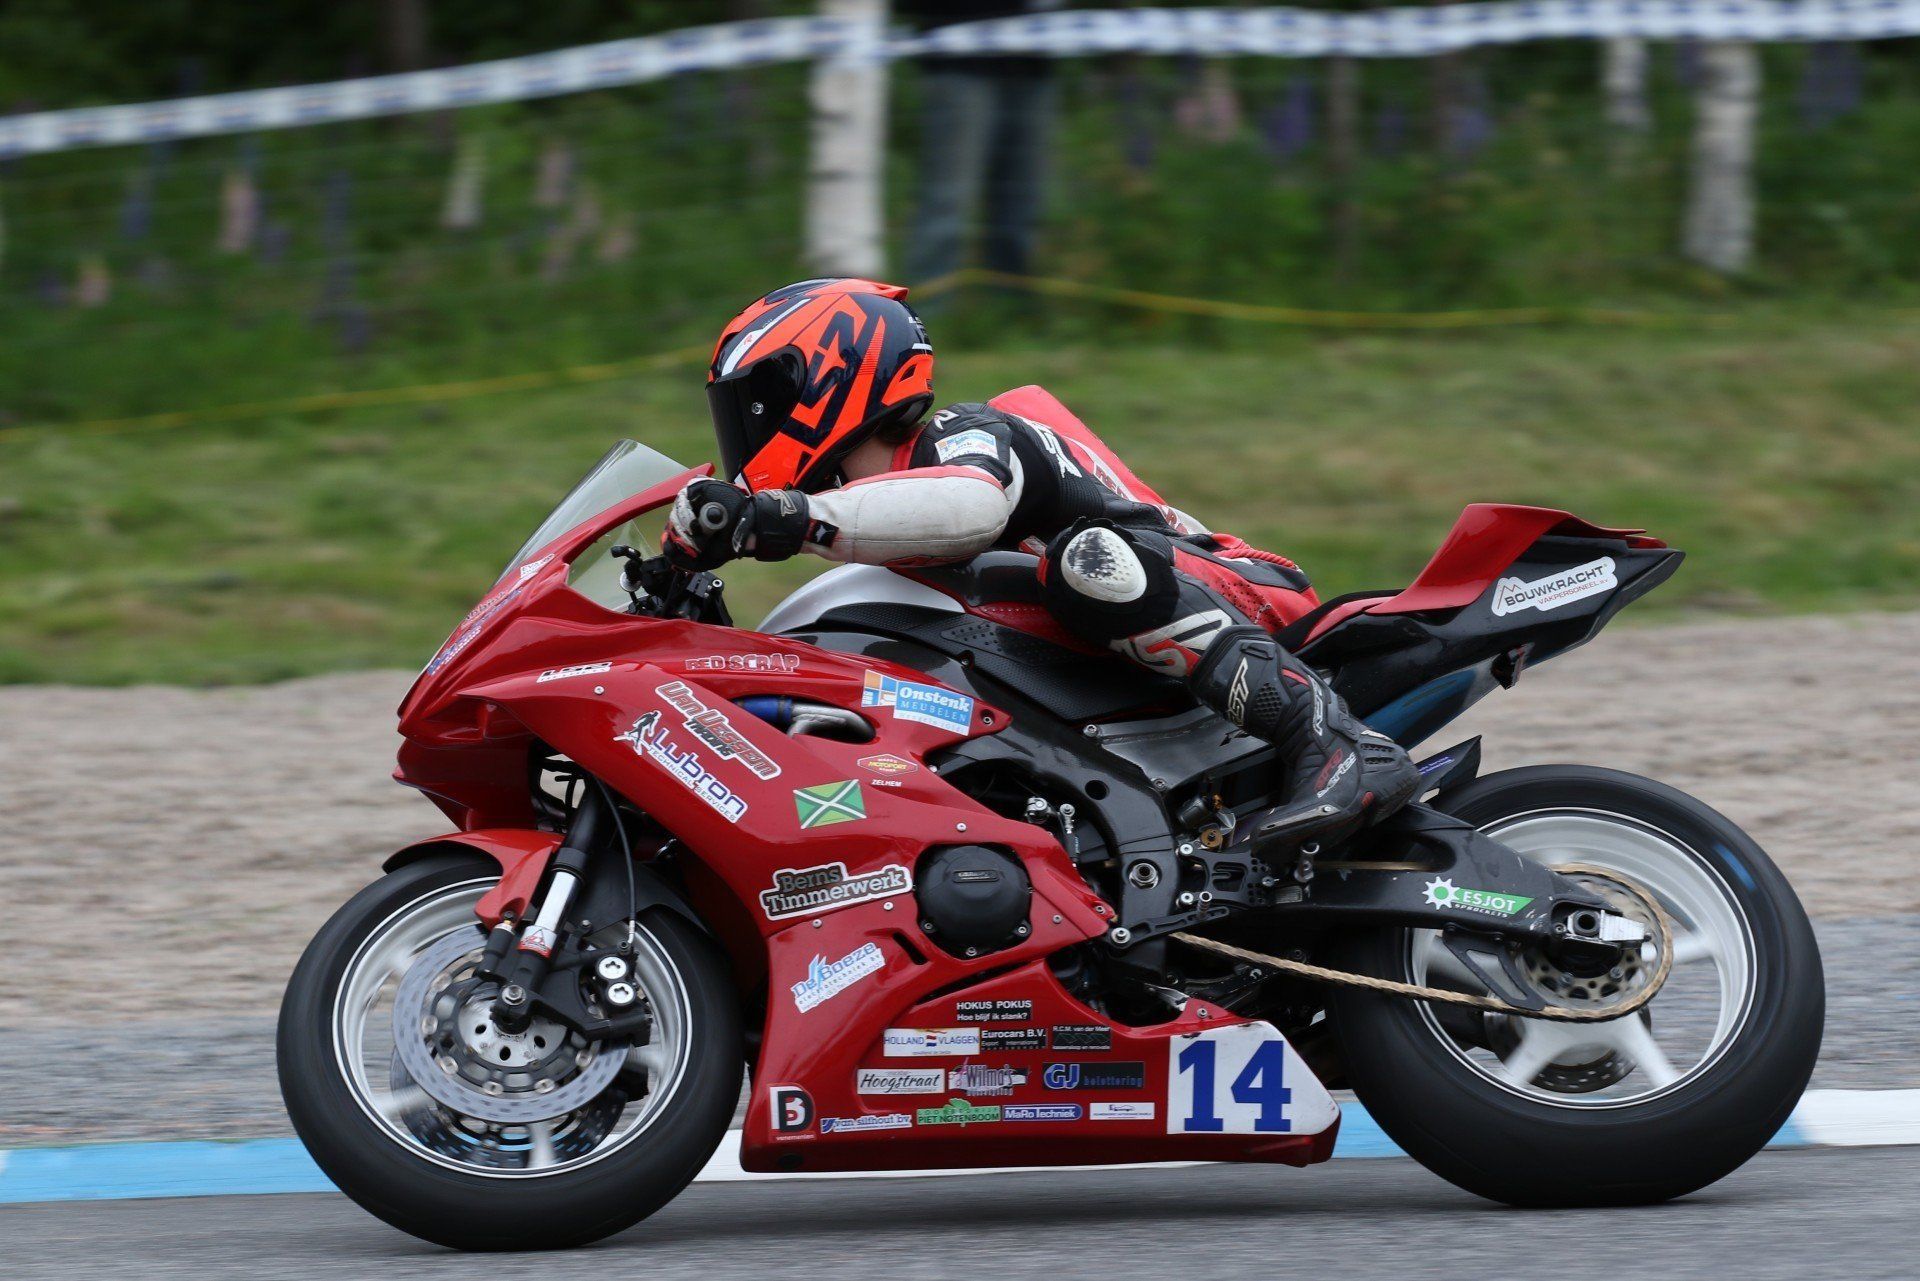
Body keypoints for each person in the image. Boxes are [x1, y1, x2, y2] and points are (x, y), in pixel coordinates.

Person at [664, 278, 1418, 844]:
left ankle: (1335, 741)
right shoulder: (869, 520)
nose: (746, 432)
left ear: (828, 376)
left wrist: (785, 516)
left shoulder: (962, 434)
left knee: (1086, 559)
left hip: (1241, 592)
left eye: (758, 402)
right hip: (1116, 671)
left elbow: (971, 508)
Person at [900, 0, 1060, 288]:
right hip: (959, 64)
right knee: (947, 207)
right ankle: (921, 315)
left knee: (1021, 208)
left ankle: (1011, 312)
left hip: (1033, 64)